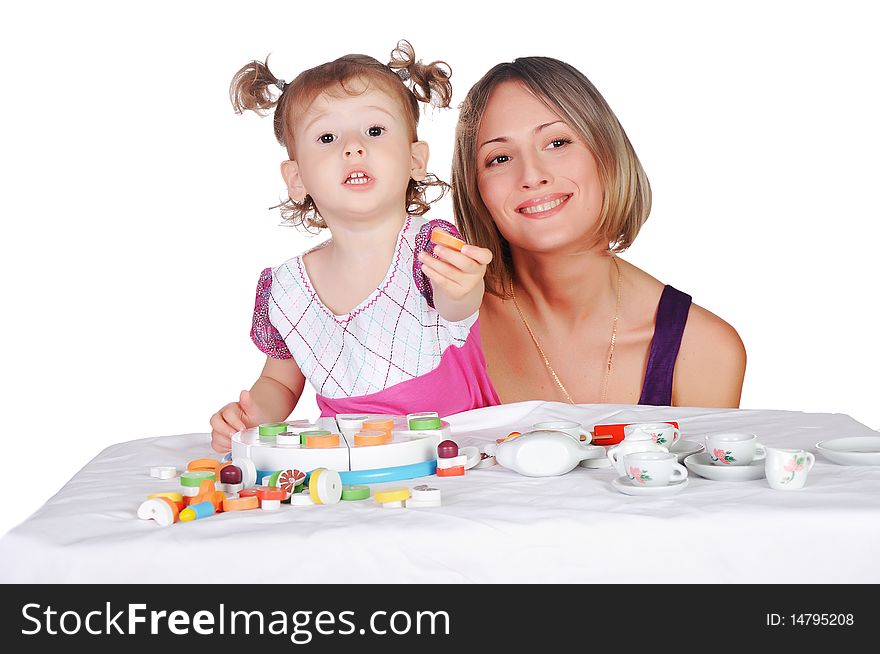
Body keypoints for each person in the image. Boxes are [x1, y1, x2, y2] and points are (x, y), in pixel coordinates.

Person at [210, 41, 497, 452]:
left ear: (416, 160)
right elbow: (279, 381)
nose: (352, 146)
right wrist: (252, 415)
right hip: (350, 457)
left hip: (457, 444)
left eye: (375, 131)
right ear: (296, 179)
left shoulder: (429, 246)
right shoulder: (286, 289)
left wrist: (464, 288)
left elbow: (458, 309)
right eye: (326, 137)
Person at [452, 57, 746, 407]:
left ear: (606, 153)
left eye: (557, 142)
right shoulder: (440, 329)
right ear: (476, 190)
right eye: (499, 158)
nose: (532, 176)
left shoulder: (705, 350)